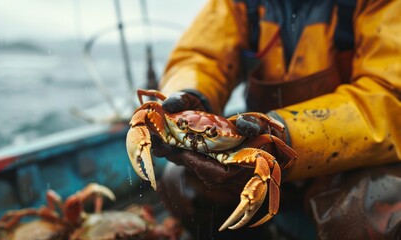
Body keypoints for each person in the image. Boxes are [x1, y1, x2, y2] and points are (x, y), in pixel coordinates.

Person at [151, 0, 401, 239]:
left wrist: (280, 138)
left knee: (371, 217)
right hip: (257, 157)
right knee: (181, 182)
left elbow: (389, 96)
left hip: (357, 162)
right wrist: (190, 93)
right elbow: (201, 56)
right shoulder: (240, 2)